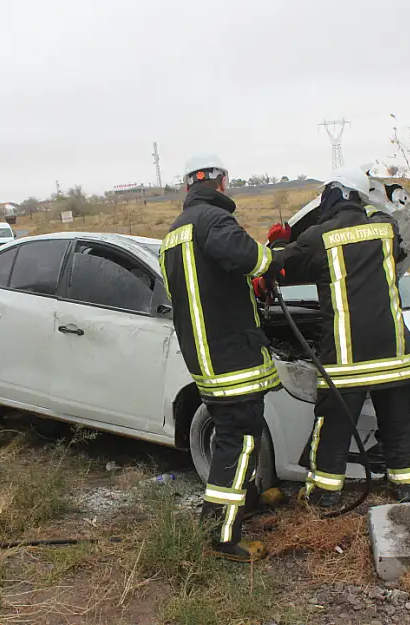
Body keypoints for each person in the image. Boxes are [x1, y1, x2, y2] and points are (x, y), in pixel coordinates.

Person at [257, 166, 410, 508]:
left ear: (335, 195)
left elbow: (282, 266)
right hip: (396, 356)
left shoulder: (320, 236)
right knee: (399, 426)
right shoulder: (386, 229)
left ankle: (324, 495)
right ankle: (407, 488)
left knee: (333, 427)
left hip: (348, 361)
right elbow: (391, 237)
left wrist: (278, 241)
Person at [158, 154, 280, 563]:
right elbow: (251, 259)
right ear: (222, 182)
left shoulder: (173, 235)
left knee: (239, 434)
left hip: (205, 358)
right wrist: (274, 254)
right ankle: (222, 536)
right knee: (238, 440)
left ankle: (246, 502)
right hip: (232, 357)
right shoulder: (214, 221)